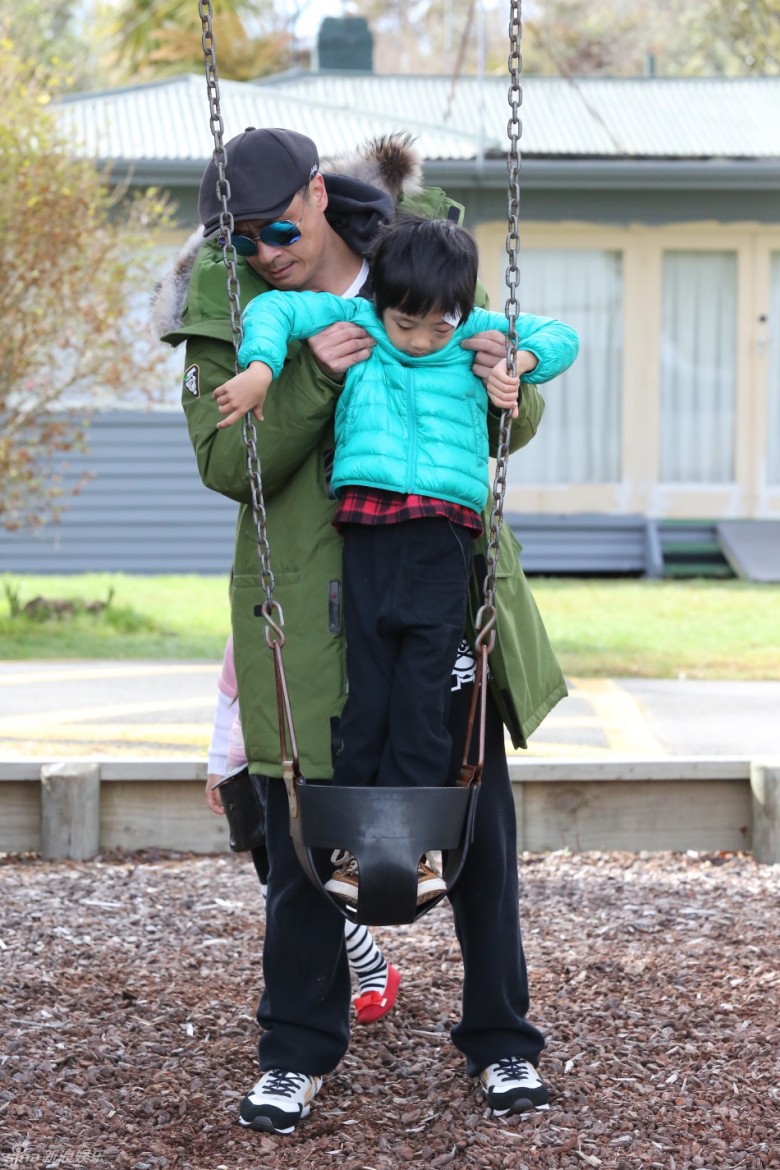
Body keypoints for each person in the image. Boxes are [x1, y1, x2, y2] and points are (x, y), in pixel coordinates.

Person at [153, 126, 578, 1135]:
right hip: (307, 600)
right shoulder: (235, 305)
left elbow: (508, 422)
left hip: (439, 582)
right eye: (239, 238)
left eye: (277, 228)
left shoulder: (418, 259)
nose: (263, 252)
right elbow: (225, 462)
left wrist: (507, 383)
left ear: (316, 192)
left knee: (477, 822)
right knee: (305, 830)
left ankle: (503, 1041)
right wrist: (311, 374)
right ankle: (296, 1054)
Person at [211, 213, 574, 909]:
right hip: (369, 534)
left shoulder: (471, 332)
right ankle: (359, 845)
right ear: (382, 303)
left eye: (440, 326)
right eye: (406, 323)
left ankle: (415, 844)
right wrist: (261, 369)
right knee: (368, 697)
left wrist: (515, 363)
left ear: (458, 312)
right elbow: (275, 310)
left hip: (443, 537)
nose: (421, 340)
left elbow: (562, 336)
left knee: (422, 699)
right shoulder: (360, 320)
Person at [206, 633, 401, 1023]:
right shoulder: (245, 630)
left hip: (298, 767)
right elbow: (228, 698)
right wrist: (216, 766)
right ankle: (309, 980)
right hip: (249, 772)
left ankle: (369, 969)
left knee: (314, 883)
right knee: (274, 888)